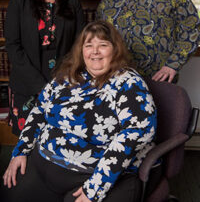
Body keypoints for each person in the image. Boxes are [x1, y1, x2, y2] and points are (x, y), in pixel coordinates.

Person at [1, 20, 157, 202]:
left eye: (103, 45)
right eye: (88, 45)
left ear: (115, 50)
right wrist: (21, 151)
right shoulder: (68, 77)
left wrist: (95, 188)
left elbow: (137, 132)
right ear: (81, 51)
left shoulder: (129, 83)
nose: (95, 51)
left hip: (90, 177)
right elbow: (39, 110)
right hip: (42, 163)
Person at [5, 0, 85, 136]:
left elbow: (80, 45)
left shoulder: (73, 3)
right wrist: (40, 86)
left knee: (59, 142)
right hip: (26, 86)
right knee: (28, 145)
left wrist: (60, 83)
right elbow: (13, 46)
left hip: (63, 85)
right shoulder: (18, 2)